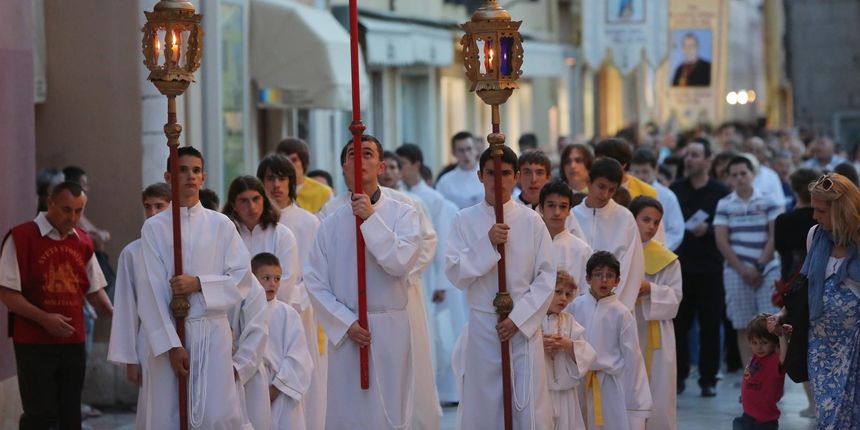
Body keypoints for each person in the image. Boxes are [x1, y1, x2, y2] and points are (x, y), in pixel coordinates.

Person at [321, 138, 441, 430]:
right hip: (348, 328)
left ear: (381, 165)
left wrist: (370, 218)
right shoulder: (330, 215)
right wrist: (344, 321)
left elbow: (401, 259)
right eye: (353, 154)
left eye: (368, 154)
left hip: (391, 319)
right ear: (343, 166)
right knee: (350, 409)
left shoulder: (404, 209)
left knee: (392, 407)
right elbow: (315, 278)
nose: (360, 160)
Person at [135, 146, 252, 429]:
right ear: (168, 176)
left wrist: (199, 283)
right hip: (171, 333)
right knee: (170, 415)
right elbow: (150, 291)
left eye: (196, 170)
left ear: (203, 177)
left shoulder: (221, 225)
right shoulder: (154, 228)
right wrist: (172, 345)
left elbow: (241, 278)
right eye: (182, 170)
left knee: (216, 415)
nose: (190, 176)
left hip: (212, 332)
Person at [445, 145, 555, 429]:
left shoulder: (532, 221)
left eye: (505, 173)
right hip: (483, 326)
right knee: (485, 406)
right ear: (480, 176)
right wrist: (487, 244)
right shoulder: (464, 220)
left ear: (516, 176)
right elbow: (455, 272)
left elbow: (546, 276)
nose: (498, 180)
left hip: (522, 326)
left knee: (525, 404)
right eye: (491, 173)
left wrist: (518, 319)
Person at [0, 181, 113, 430]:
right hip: (33, 342)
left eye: (79, 211)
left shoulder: (83, 241)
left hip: (73, 341)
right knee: (39, 414)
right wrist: (44, 318)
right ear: (50, 202)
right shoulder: (21, 237)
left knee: (70, 414)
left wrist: (115, 313)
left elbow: (94, 290)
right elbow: (6, 293)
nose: (72, 217)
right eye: (66, 210)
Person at [774, 173, 860, 429]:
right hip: (821, 347)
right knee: (828, 415)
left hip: (854, 346)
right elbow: (806, 284)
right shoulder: (815, 236)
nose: (814, 216)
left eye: (821, 211)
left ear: (842, 210)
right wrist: (784, 312)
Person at [223, 175, 301, 430]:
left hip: (274, 321)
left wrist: (263, 314)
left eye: (256, 199)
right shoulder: (225, 235)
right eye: (244, 201)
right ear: (233, 205)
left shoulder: (282, 234)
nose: (251, 207)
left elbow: (285, 281)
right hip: (233, 323)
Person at [256, 153, 326, 429]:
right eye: (269, 178)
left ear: (292, 183)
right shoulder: (255, 224)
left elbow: (317, 274)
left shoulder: (308, 222)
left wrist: (287, 303)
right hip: (257, 314)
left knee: (299, 377)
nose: (276, 185)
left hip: (297, 314)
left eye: (282, 178)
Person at [396, 143, 466, 405]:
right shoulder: (399, 196)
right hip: (410, 273)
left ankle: (445, 390)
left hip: (431, 275)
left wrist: (441, 283)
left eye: (403, 164)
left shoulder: (433, 199)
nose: (400, 169)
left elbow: (441, 240)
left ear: (416, 164)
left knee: (438, 332)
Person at [107, 182, 170, 429]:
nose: (152, 212)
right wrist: (130, 359)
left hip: (187, 334)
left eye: (159, 206)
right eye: (148, 206)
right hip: (150, 339)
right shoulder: (132, 253)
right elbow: (126, 308)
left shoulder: (185, 248)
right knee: (154, 407)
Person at [670, 138, 730, 397]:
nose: (689, 159)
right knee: (679, 326)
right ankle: (679, 376)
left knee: (710, 326)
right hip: (681, 267)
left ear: (708, 160)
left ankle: (708, 379)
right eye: (687, 155)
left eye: (695, 155)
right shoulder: (675, 189)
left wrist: (710, 230)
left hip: (710, 268)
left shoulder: (720, 191)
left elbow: (728, 226)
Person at [570, 251, 652, 430]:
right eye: (598, 275)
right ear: (588, 279)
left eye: (609, 275)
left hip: (609, 385)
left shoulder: (621, 313)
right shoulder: (576, 306)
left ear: (617, 281)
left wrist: (638, 403)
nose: (604, 280)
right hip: (579, 381)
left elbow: (633, 358)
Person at [714, 156, 783, 367]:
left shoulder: (769, 201)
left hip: (767, 269)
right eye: (734, 175)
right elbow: (721, 240)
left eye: (743, 173)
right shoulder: (725, 204)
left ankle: (774, 374)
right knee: (743, 325)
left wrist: (759, 266)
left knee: (771, 324)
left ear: (753, 174)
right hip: (737, 272)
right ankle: (749, 374)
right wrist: (743, 270)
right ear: (729, 178)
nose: (739, 178)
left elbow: (775, 235)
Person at [629, 196, 683, 430]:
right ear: (631, 219)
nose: (651, 226)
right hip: (627, 327)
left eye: (656, 222)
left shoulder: (667, 260)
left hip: (656, 333)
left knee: (658, 391)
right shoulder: (619, 252)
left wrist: (650, 289)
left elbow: (675, 297)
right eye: (645, 219)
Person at [572, 158, 646, 311]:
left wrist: (612, 305)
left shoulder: (625, 218)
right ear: (589, 182)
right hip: (575, 304)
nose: (605, 194)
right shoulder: (572, 216)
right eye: (601, 186)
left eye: (611, 190)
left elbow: (631, 267)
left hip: (613, 306)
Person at [252, 252, 313, 430]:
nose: (273, 283)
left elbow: (299, 356)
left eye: (277, 279)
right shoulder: (242, 311)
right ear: (252, 279)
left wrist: (276, 388)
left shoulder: (288, 314)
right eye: (266, 278)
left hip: (282, 391)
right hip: (253, 389)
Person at [542, 270, 596, 430]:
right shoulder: (533, 320)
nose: (563, 298)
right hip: (541, 391)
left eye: (567, 294)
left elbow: (587, 355)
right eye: (558, 292)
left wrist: (567, 344)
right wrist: (538, 345)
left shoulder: (569, 321)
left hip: (566, 394)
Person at [732, 314, 788, 430]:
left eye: (764, 342)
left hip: (765, 422)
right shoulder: (754, 357)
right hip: (747, 416)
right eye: (754, 342)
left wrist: (781, 335)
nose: (759, 347)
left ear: (774, 342)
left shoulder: (774, 360)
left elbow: (784, 357)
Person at [538, 179, 592, 291]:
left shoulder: (582, 251)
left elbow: (586, 292)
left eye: (563, 206)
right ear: (541, 208)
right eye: (551, 205)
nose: (557, 212)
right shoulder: (531, 244)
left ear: (569, 210)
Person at [630, 149, 686, 250]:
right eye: (636, 172)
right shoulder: (626, 193)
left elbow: (676, 231)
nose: (640, 176)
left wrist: (659, 250)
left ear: (655, 169)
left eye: (645, 171)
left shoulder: (667, 196)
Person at [276, 137, 333, 213]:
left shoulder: (324, 192)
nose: (289, 165)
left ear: (304, 162)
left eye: (294, 160)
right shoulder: (272, 190)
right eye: (284, 160)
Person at [435, 131, 484, 209]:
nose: (466, 154)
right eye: (461, 150)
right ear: (453, 153)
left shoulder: (489, 176)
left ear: (476, 150)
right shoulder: (445, 182)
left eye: (469, 149)